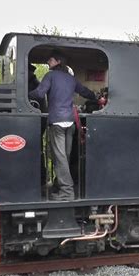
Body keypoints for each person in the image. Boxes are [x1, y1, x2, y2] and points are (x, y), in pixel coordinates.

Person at [29, 50, 98, 201]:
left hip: (58, 123)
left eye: (51, 60)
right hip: (70, 123)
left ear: (58, 62)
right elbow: (85, 92)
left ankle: (66, 192)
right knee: (64, 158)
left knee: (60, 159)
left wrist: (24, 95)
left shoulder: (50, 76)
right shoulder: (71, 79)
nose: (48, 62)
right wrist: (97, 97)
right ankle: (58, 186)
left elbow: (40, 94)